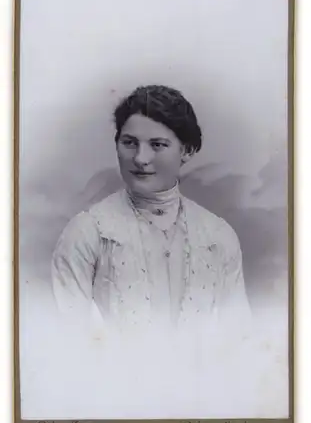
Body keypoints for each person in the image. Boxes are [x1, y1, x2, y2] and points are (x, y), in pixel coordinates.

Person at [51, 85, 251, 339]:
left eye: (157, 145)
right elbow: (71, 341)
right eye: (129, 143)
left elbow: (238, 340)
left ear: (186, 150)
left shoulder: (217, 236)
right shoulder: (88, 233)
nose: (140, 158)